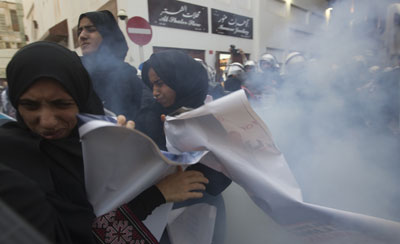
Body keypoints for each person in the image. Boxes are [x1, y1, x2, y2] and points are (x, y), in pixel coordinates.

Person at [0, 41, 209, 244]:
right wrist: (157, 195)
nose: (47, 121)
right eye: (29, 105)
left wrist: (123, 153)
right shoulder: (10, 159)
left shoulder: (92, 140)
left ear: (81, 98)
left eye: (61, 104)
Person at [137, 50, 232, 243]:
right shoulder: (148, 118)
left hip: (203, 209)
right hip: (159, 213)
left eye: (160, 83)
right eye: (152, 84)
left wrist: (186, 144)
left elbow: (220, 180)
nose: (154, 92)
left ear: (181, 80)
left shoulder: (209, 117)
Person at [78, 10, 145, 120]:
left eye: (91, 30)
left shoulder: (127, 76)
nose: (82, 36)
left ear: (107, 35)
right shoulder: (75, 71)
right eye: (79, 31)